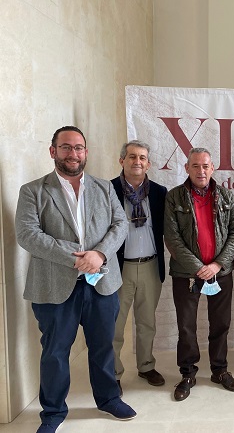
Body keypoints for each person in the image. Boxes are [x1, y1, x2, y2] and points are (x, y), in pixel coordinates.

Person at [15, 126, 136, 433]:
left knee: (103, 346)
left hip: (101, 283)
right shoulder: (33, 191)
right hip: (54, 286)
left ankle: (108, 399)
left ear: (86, 152)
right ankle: (53, 412)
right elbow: (28, 235)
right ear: (53, 151)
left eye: (79, 148)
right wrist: (77, 258)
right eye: (66, 147)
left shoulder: (104, 188)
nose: (73, 153)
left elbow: (120, 225)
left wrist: (100, 254)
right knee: (55, 352)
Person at [164, 147, 234, 401]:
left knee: (221, 323)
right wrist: (199, 267)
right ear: (187, 168)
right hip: (186, 273)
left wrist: (217, 265)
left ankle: (219, 370)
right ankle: (188, 374)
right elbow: (172, 238)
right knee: (186, 326)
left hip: (221, 272)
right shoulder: (174, 197)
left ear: (212, 168)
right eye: (195, 166)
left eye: (205, 166)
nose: (201, 171)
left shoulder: (226, 196)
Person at [111, 140, 167, 395]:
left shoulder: (159, 192)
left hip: (150, 266)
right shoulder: (108, 190)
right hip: (119, 268)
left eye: (142, 157)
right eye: (132, 156)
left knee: (147, 322)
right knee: (115, 325)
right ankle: (113, 374)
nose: (137, 161)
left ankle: (146, 366)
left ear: (149, 164)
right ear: (122, 160)